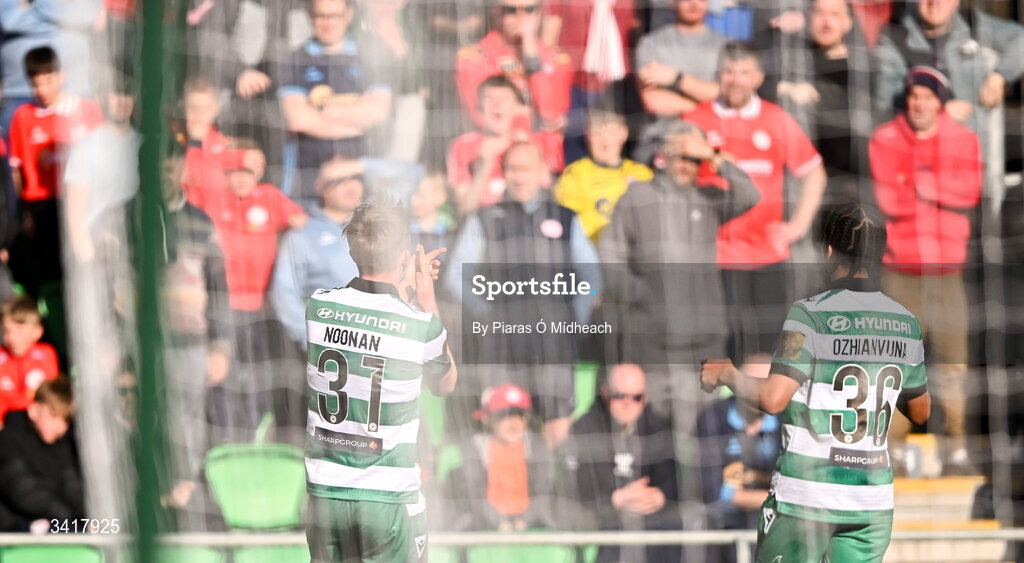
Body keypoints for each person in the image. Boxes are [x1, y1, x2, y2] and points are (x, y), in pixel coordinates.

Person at [699, 202, 931, 563]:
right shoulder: (907, 322)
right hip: (871, 502)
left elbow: (774, 399)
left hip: (806, 498)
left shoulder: (810, 314)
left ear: (827, 251)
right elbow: (920, 410)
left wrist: (727, 374)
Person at [304, 202, 457, 563]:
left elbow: (370, 314)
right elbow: (445, 383)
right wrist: (425, 295)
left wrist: (398, 287)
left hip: (325, 493)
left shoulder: (318, 307)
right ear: (404, 254)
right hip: (386, 495)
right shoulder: (419, 323)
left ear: (352, 250)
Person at [445, 141, 600, 449]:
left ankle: (554, 494)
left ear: (542, 172)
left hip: (555, 346)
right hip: (502, 348)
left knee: (557, 431)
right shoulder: (485, 218)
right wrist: (486, 315)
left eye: (526, 168)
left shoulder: (566, 218)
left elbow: (591, 276)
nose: (519, 177)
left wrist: (573, 319)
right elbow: (456, 276)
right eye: (512, 169)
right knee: (505, 434)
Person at [869, 66, 982, 473]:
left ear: (941, 101)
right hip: (901, 270)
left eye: (927, 97)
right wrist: (938, 187)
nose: (919, 103)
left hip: (948, 272)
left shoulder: (963, 138)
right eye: (913, 95)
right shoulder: (885, 138)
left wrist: (925, 185)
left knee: (953, 365)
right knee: (895, 362)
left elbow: (969, 191)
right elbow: (890, 199)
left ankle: (956, 449)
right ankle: (891, 448)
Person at [687, 41, 827, 359]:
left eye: (744, 72)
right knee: (717, 357)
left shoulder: (776, 119)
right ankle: (723, 411)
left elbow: (815, 174)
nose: (735, 79)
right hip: (714, 261)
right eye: (729, 71)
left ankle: (758, 410)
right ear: (718, 75)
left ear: (758, 78)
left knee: (764, 356)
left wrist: (797, 226)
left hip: (767, 260)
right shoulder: (697, 119)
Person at [599, 120, 759, 369]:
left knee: (708, 408)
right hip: (651, 337)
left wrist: (711, 154)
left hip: (705, 337)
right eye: (680, 156)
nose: (686, 165)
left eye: (694, 159)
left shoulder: (708, 199)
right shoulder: (637, 196)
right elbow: (610, 253)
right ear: (664, 156)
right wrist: (639, 293)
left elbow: (750, 195)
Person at [874, 0, 1024, 212]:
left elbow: (1020, 39)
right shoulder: (895, 36)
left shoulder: (972, 23)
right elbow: (885, 100)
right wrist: (938, 112)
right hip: (921, 170)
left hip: (977, 159)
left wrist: (999, 76)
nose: (934, 3)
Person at [8, 46, 102, 297]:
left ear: (62, 75)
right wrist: (26, 210)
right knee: (52, 274)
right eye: (36, 83)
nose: (43, 90)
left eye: (49, 80)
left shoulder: (87, 111)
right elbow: (17, 169)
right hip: (43, 207)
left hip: (82, 204)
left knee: (85, 270)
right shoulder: (23, 117)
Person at [563, 364, 680, 563]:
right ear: (605, 394)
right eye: (619, 396)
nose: (628, 403)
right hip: (601, 518)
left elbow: (672, 478)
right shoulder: (583, 429)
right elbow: (574, 488)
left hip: (649, 516)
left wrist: (660, 496)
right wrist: (616, 499)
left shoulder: (658, 428)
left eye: (636, 397)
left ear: (645, 398)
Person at [761, 0, 874, 206]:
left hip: (845, 185)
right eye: (819, 13)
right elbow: (755, 83)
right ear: (808, 19)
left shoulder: (863, 70)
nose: (826, 22)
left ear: (848, 23)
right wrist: (786, 89)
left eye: (834, 14)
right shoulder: (794, 61)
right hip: (795, 183)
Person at [278, 0, 392, 201]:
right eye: (321, 16)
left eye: (335, 16)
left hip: (360, 177)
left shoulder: (367, 55)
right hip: (307, 180)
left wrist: (322, 113)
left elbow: (379, 113)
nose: (328, 23)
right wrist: (357, 120)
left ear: (348, 16)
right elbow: (298, 119)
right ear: (310, 17)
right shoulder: (294, 60)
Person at [695, 354, 781, 563]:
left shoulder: (786, 422)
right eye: (751, 383)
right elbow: (713, 492)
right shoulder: (712, 418)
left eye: (765, 384)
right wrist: (770, 501)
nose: (756, 392)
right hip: (722, 524)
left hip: (773, 523)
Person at [270, 155, 364, 346]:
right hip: (330, 348)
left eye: (355, 178)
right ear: (320, 187)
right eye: (339, 181)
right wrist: (313, 340)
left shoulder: (377, 227)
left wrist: (360, 164)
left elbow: (410, 173)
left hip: (380, 343)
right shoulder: (301, 235)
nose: (350, 186)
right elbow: (284, 293)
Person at [444, 382, 557, 532]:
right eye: (504, 415)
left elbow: (544, 493)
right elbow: (473, 496)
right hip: (483, 527)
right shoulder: (474, 449)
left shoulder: (537, 449)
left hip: (532, 525)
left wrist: (524, 521)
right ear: (487, 418)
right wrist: (499, 522)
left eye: (519, 415)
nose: (513, 423)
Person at [540, 0, 640, 164]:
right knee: (576, 158)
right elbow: (547, 46)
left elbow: (636, 31)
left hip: (618, 86)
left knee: (615, 159)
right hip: (574, 86)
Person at [446, 75, 562, 215]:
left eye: (505, 99)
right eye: (489, 98)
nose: (497, 104)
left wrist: (530, 155)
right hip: (482, 228)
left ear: (517, 107)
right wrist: (484, 167)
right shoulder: (462, 147)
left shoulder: (530, 144)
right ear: (479, 106)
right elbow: (464, 208)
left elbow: (547, 198)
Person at [455, 0, 572, 136]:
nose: (520, 16)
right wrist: (529, 116)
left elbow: (551, 115)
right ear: (496, 12)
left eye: (529, 10)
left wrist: (531, 52)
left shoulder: (557, 59)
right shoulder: (473, 57)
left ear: (539, 13)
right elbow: (479, 116)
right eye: (511, 10)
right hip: (495, 147)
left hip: (541, 150)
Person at [555, 108, 652, 243]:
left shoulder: (641, 174)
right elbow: (567, 218)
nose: (604, 141)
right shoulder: (575, 173)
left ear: (623, 133)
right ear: (588, 135)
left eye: (611, 133)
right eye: (597, 134)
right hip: (590, 253)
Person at [0, 377, 83, 533]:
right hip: (15, 533)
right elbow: (22, 491)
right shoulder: (7, 439)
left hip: (58, 528)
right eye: (53, 415)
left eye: (65, 419)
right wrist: (69, 521)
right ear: (34, 411)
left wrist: (86, 518)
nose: (60, 426)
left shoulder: (62, 444)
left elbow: (71, 486)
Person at [0, 296, 58, 426]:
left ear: (37, 332)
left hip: (37, 424)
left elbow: (50, 398)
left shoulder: (46, 355)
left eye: (19, 331)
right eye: (7, 331)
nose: (12, 338)